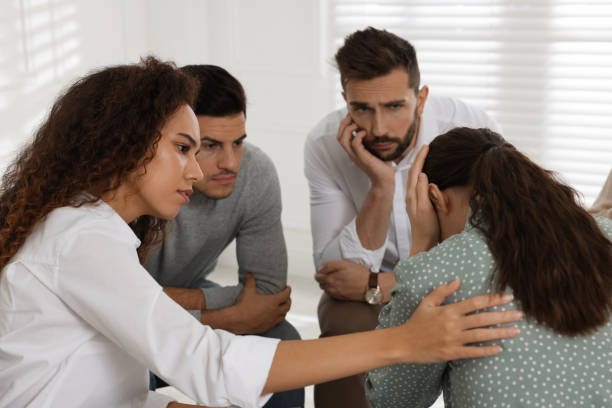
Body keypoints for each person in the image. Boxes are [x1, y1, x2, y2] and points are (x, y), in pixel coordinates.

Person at [0, 57, 521, 408]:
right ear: (123, 144)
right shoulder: (78, 237)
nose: (200, 170)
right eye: (185, 148)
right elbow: (209, 361)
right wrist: (402, 343)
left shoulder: (89, 227)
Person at [304, 27, 501, 407]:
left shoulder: (467, 131)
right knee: (342, 322)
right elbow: (334, 274)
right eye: (361, 108)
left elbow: (494, 253)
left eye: (394, 106)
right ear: (345, 99)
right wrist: (380, 186)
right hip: (369, 296)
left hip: (450, 282)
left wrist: (380, 281)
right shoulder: (324, 144)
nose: (378, 128)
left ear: (421, 98)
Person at [365, 127, 612, 407]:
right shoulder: (605, 236)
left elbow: (391, 400)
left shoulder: (437, 272)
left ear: (433, 197)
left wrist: (420, 247)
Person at [144, 65, 303, 407]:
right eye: (210, 145)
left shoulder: (254, 173)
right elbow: (122, 305)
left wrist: (194, 302)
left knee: (281, 341)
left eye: (238, 143)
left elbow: (266, 295)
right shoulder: (133, 182)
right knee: (123, 365)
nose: (230, 162)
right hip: (109, 322)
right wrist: (229, 319)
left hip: (173, 296)